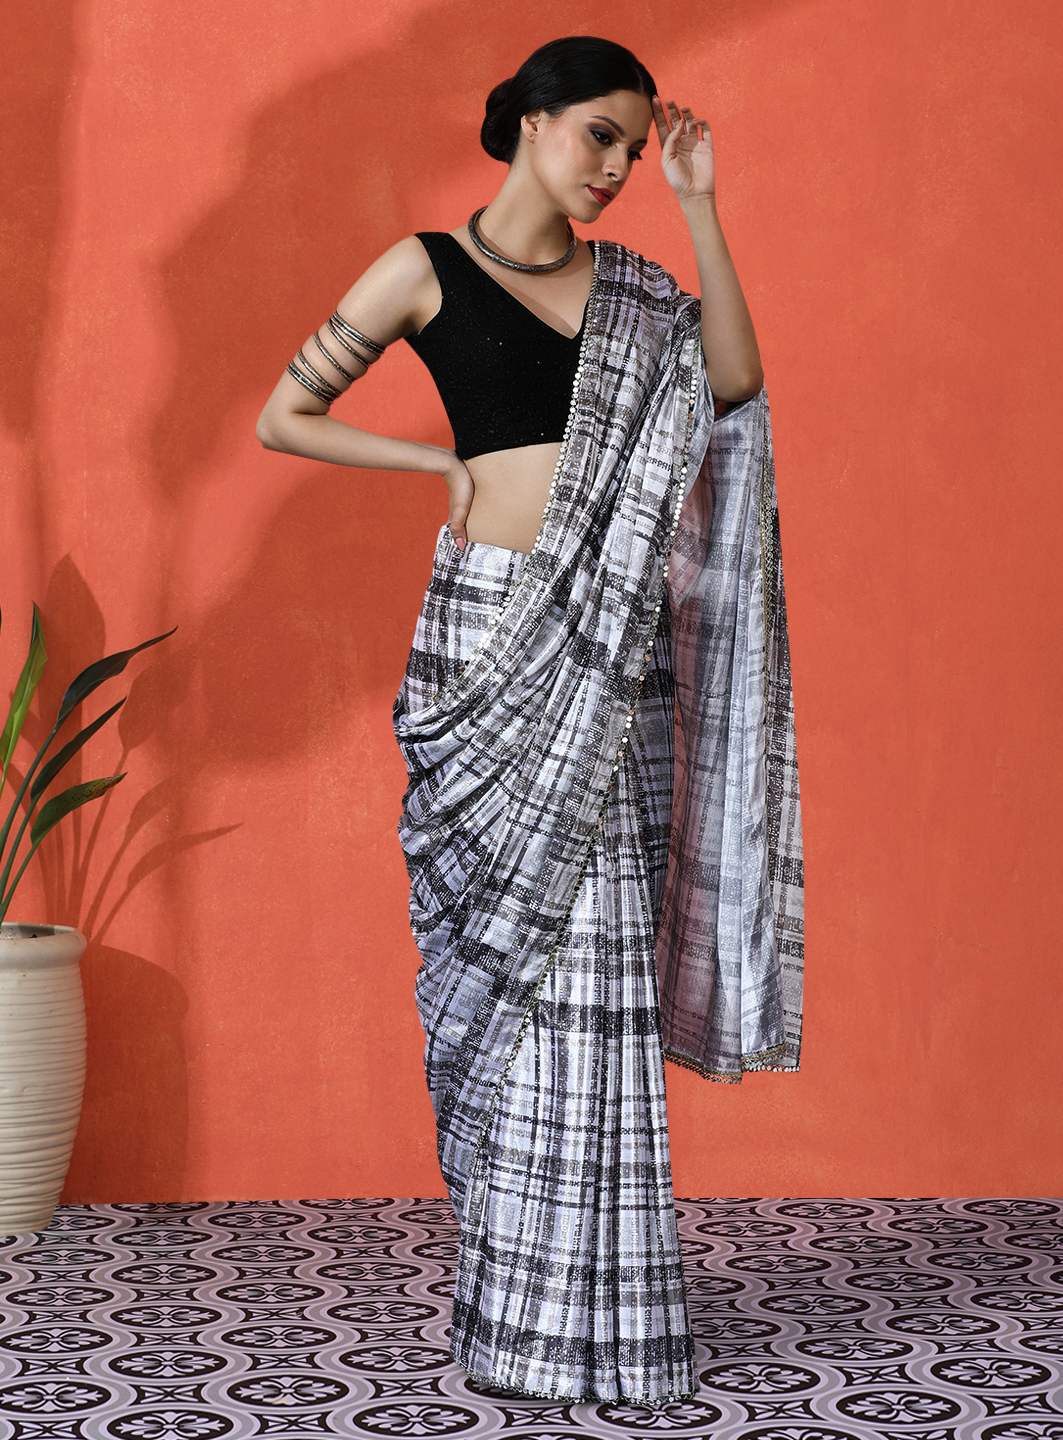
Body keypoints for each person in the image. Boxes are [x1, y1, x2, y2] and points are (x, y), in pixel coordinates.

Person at [257, 35, 803, 1407]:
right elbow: (284, 414)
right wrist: (429, 463)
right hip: (487, 643)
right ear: (531, 121)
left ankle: (607, 1320)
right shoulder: (423, 268)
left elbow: (734, 387)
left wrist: (699, 207)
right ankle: (515, 1316)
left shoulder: (638, 294)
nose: (616, 165)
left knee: (597, 972)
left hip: (608, 652)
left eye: (634, 145)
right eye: (599, 135)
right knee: (498, 982)